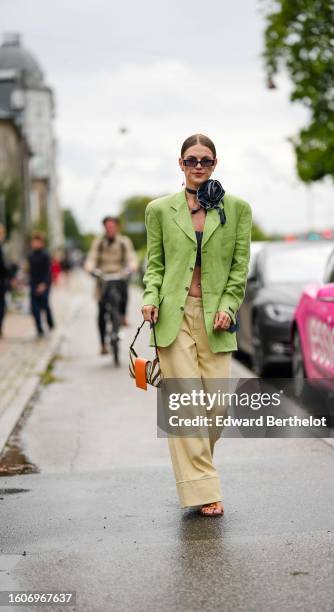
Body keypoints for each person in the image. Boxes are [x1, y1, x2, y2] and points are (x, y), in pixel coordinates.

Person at [141, 134, 252, 516]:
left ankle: (197, 475)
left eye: (205, 160)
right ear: (181, 163)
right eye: (192, 160)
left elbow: (239, 268)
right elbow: (155, 265)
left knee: (216, 408)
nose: (198, 166)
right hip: (174, 316)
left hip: (216, 320)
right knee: (187, 406)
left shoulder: (236, 209)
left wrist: (229, 305)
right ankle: (203, 490)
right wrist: (150, 299)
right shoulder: (159, 210)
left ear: (215, 163)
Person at [85, 216, 138, 354]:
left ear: (117, 227)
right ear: (104, 228)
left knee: (125, 292)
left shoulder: (124, 242)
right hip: (103, 279)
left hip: (119, 276)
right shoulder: (99, 243)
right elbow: (91, 258)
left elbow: (131, 257)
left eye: (112, 226)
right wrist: (90, 268)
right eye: (107, 227)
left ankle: (122, 316)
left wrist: (132, 266)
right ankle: (103, 344)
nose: (110, 229)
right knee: (101, 311)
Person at [28, 231, 54, 337]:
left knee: (45, 305)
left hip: (44, 284)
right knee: (35, 309)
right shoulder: (31, 256)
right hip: (33, 284)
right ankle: (39, 329)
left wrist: (44, 284)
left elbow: (48, 271)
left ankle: (50, 323)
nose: (35, 244)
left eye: (38, 242)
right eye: (34, 242)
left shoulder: (45, 255)